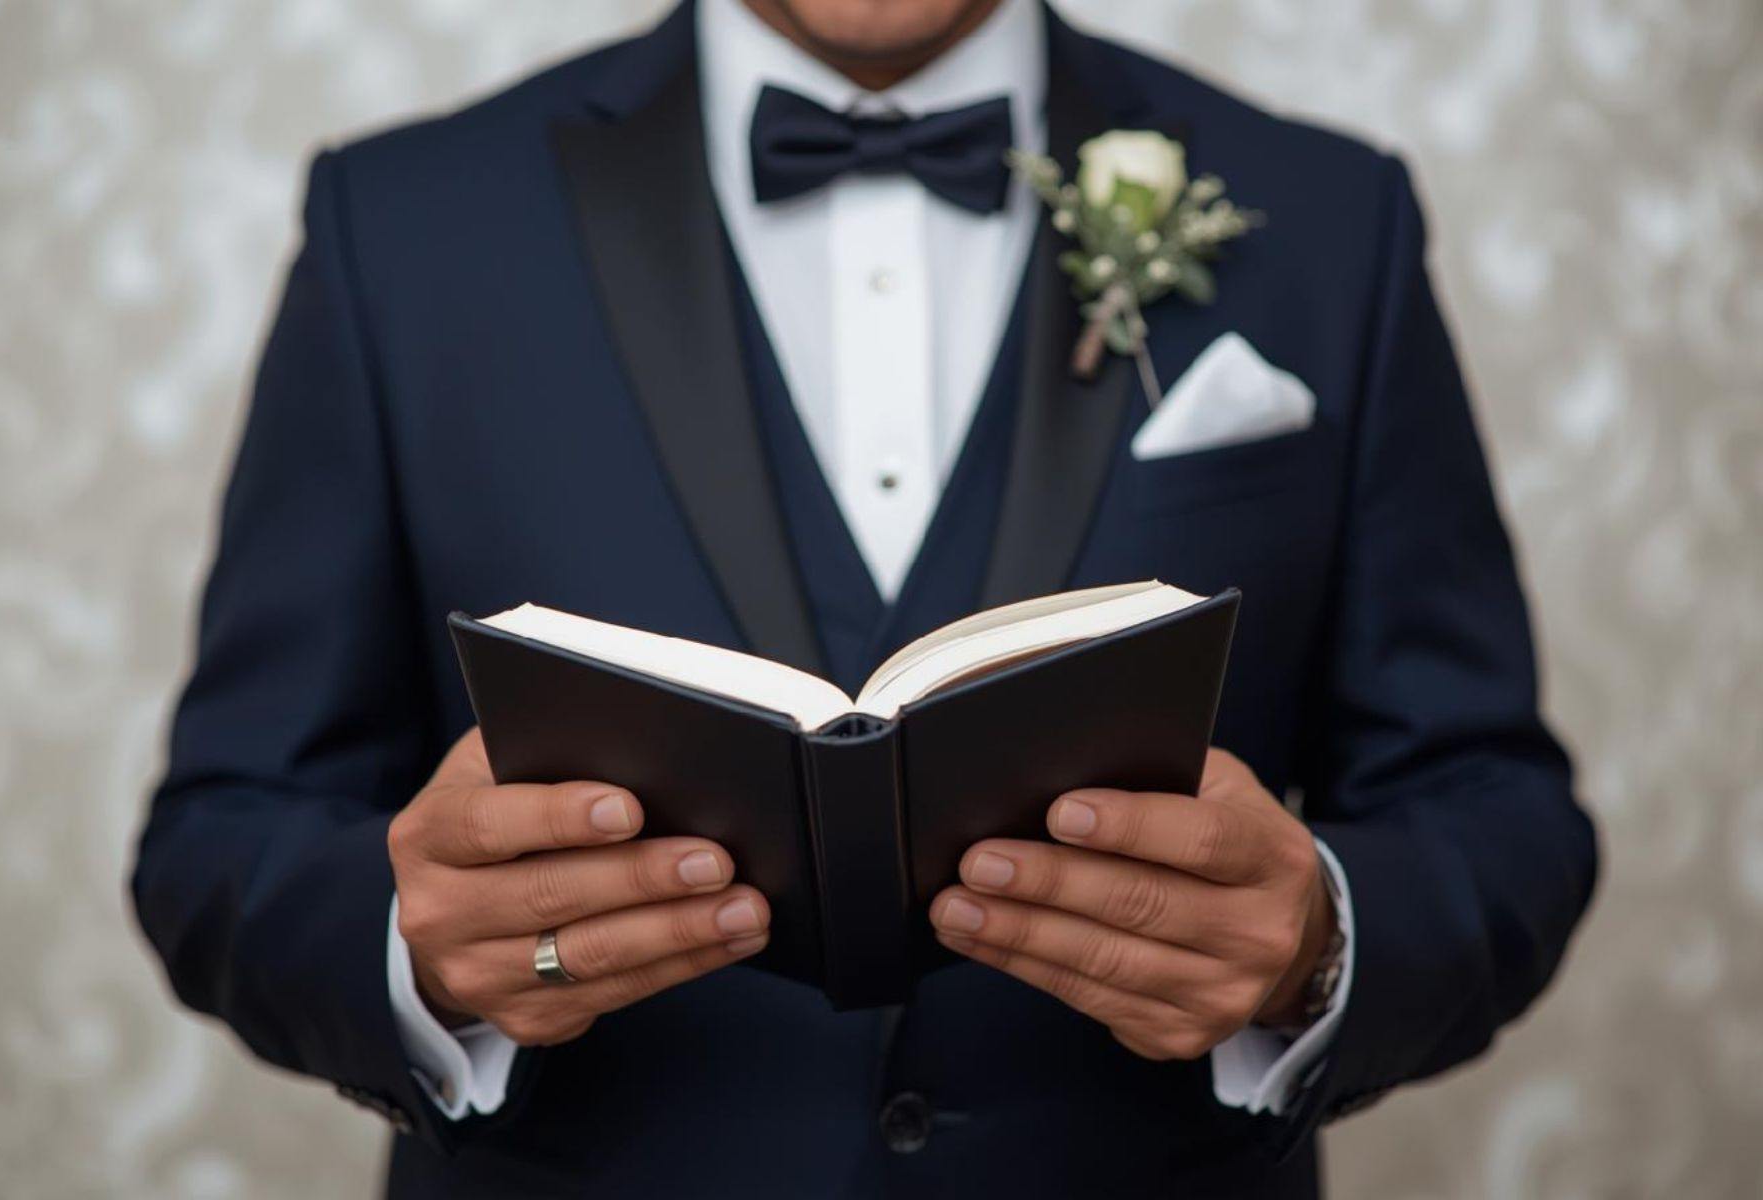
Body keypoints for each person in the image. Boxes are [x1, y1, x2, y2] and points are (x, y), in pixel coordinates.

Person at [130, 0, 1598, 1195]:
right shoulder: (404, 225)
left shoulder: (1334, 219)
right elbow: (219, 838)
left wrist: (1318, 946)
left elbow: (1497, 810)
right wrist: (414, 950)